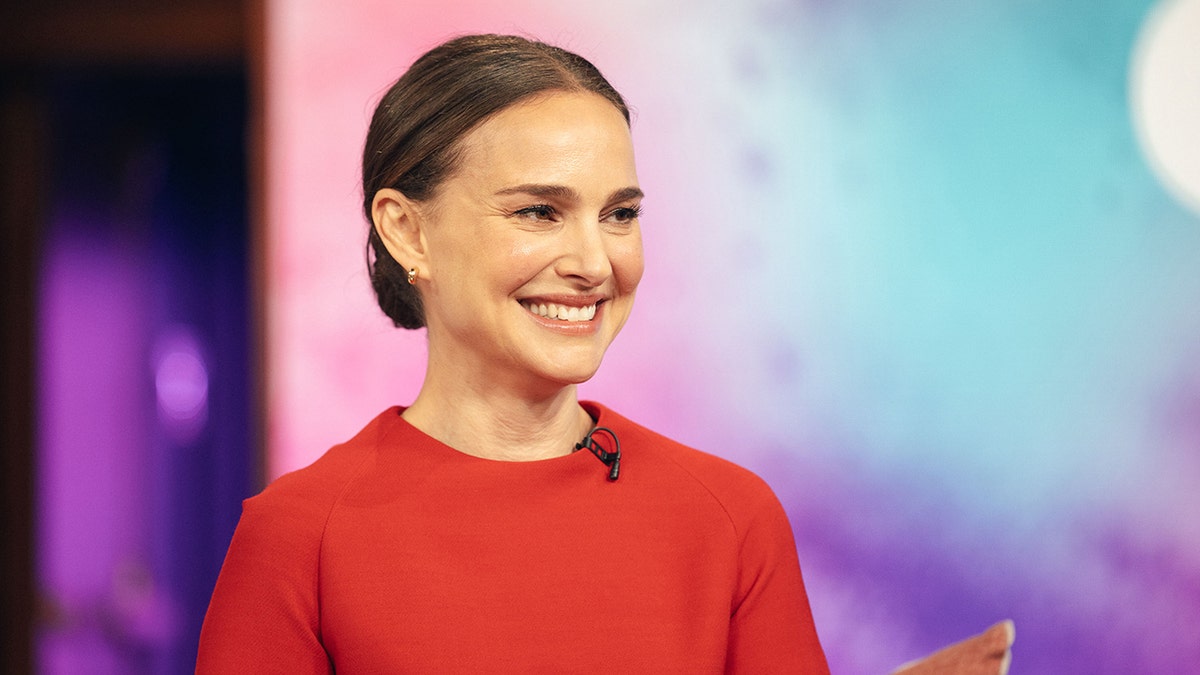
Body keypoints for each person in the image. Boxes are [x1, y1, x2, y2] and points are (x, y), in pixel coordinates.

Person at [197, 33, 829, 673]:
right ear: (407, 231)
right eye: (538, 211)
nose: (592, 263)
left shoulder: (730, 519)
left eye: (619, 214)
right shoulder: (298, 538)